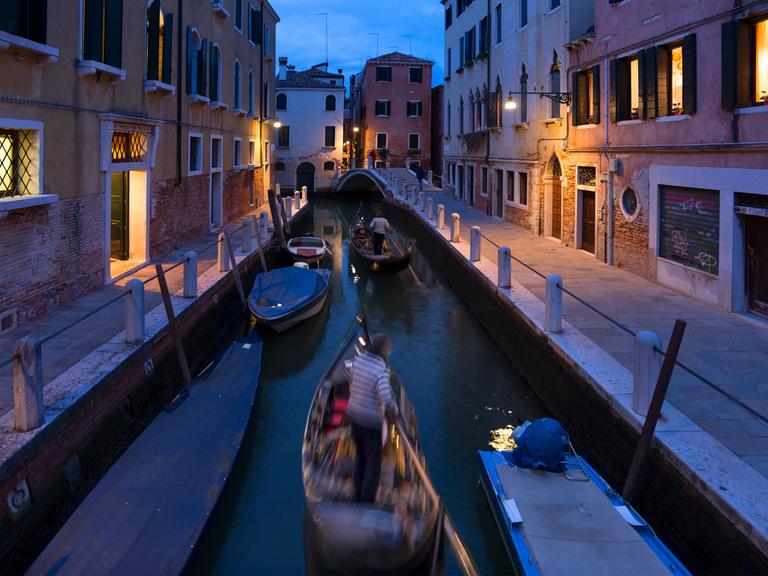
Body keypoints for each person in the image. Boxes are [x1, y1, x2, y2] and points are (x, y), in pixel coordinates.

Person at [345, 333, 397, 503]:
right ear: (384, 349)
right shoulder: (380, 371)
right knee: (372, 465)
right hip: (370, 423)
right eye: (389, 348)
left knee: (360, 458)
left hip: (354, 418)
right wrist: (392, 415)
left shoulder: (357, 361)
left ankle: (356, 496)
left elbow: (350, 377)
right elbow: (385, 398)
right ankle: (365, 502)